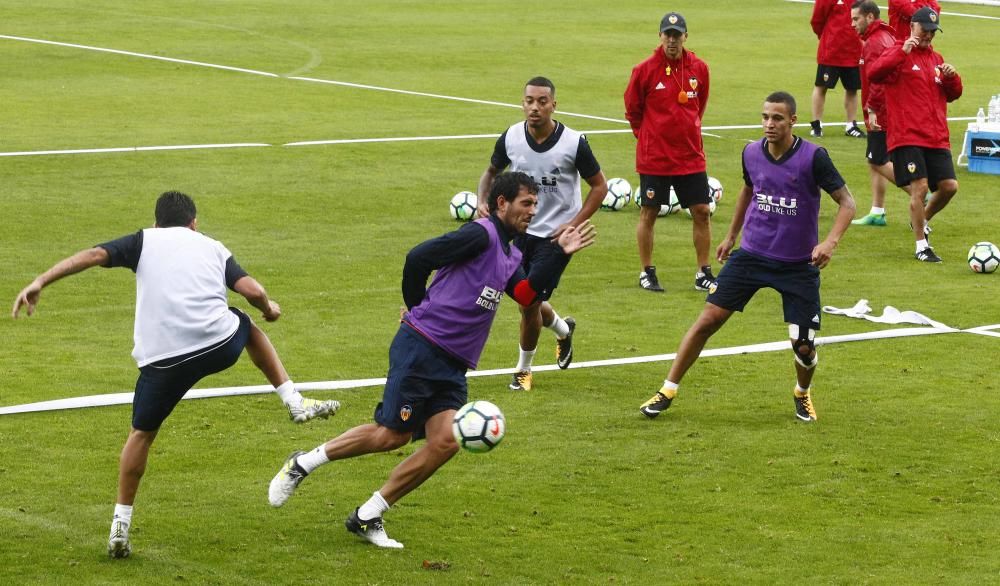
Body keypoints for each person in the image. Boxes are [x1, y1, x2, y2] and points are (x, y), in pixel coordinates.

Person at [268, 172, 595, 549]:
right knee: (393, 435)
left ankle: (368, 514)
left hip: (453, 363)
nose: (532, 212)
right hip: (422, 348)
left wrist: (557, 255)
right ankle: (302, 464)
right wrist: (418, 309)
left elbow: (525, 295)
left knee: (445, 442)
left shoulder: (512, 252)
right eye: (526, 203)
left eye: (535, 205)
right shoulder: (480, 235)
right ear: (502, 203)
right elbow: (418, 258)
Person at [11, 191, 339, 559]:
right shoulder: (212, 246)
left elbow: (92, 256)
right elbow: (252, 290)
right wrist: (269, 308)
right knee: (246, 325)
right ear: (193, 223)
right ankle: (293, 400)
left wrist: (41, 280)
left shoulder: (142, 241)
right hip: (218, 344)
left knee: (141, 435)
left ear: (156, 223)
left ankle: (120, 525)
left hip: (161, 362)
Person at [639, 92, 855, 422]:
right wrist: (730, 236)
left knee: (804, 348)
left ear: (792, 121)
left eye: (777, 118)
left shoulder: (814, 157)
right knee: (706, 320)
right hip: (751, 256)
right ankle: (667, 389)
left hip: (798, 265)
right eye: (766, 117)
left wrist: (830, 242)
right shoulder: (751, 153)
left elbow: (848, 203)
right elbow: (748, 189)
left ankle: (802, 393)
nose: (770, 124)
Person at [477, 76, 607, 391]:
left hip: (556, 239)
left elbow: (600, 187)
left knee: (529, 303)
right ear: (523, 103)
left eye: (542, 101)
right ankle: (563, 330)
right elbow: (491, 172)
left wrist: (574, 223)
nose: (535, 107)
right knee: (526, 302)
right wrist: (482, 200)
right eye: (529, 101)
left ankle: (523, 370)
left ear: (553, 105)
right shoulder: (510, 137)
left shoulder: (574, 142)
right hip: (517, 233)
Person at [625, 11, 716, 294]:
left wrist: (686, 131)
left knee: (701, 211)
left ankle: (703, 272)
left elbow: (699, 105)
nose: (672, 40)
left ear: (686, 37)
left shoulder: (699, 68)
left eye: (677, 35)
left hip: (690, 156)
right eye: (668, 35)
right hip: (656, 158)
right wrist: (649, 138)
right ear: (660, 36)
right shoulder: (645, 70)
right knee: (649, 211)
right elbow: (633, 110)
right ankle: (646, 271)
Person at [869, 6, 962, 262]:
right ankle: (922, 246)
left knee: (949, 187)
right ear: (912, 27)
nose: (929, 35)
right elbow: (874, 73)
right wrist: (902, 51)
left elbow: (953, 95)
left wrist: (952, 79)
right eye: (925, 29)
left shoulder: (936, 59)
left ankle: (920, 220)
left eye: (933, 31)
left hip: (936, 137)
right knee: (919, 188)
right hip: (907, 136)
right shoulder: (898, 53)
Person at [850, 0, 903, 227]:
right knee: (874, 160)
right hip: (889, 108)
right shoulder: (885, 35)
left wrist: (872, 109)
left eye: (856, 19)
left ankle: (921, 191)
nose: (852, 24)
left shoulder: (874, 42)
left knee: (878, 160)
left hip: (880, 112)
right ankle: (877, 211)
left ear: (870, 17)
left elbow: (878, 81)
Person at [810, 0, 866, 138]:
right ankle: (817, 124)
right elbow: (817, 20)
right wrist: (827, 37)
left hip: (854, 51)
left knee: (852, 89)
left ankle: (851, 125)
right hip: (831, 52)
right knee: (821, 86)